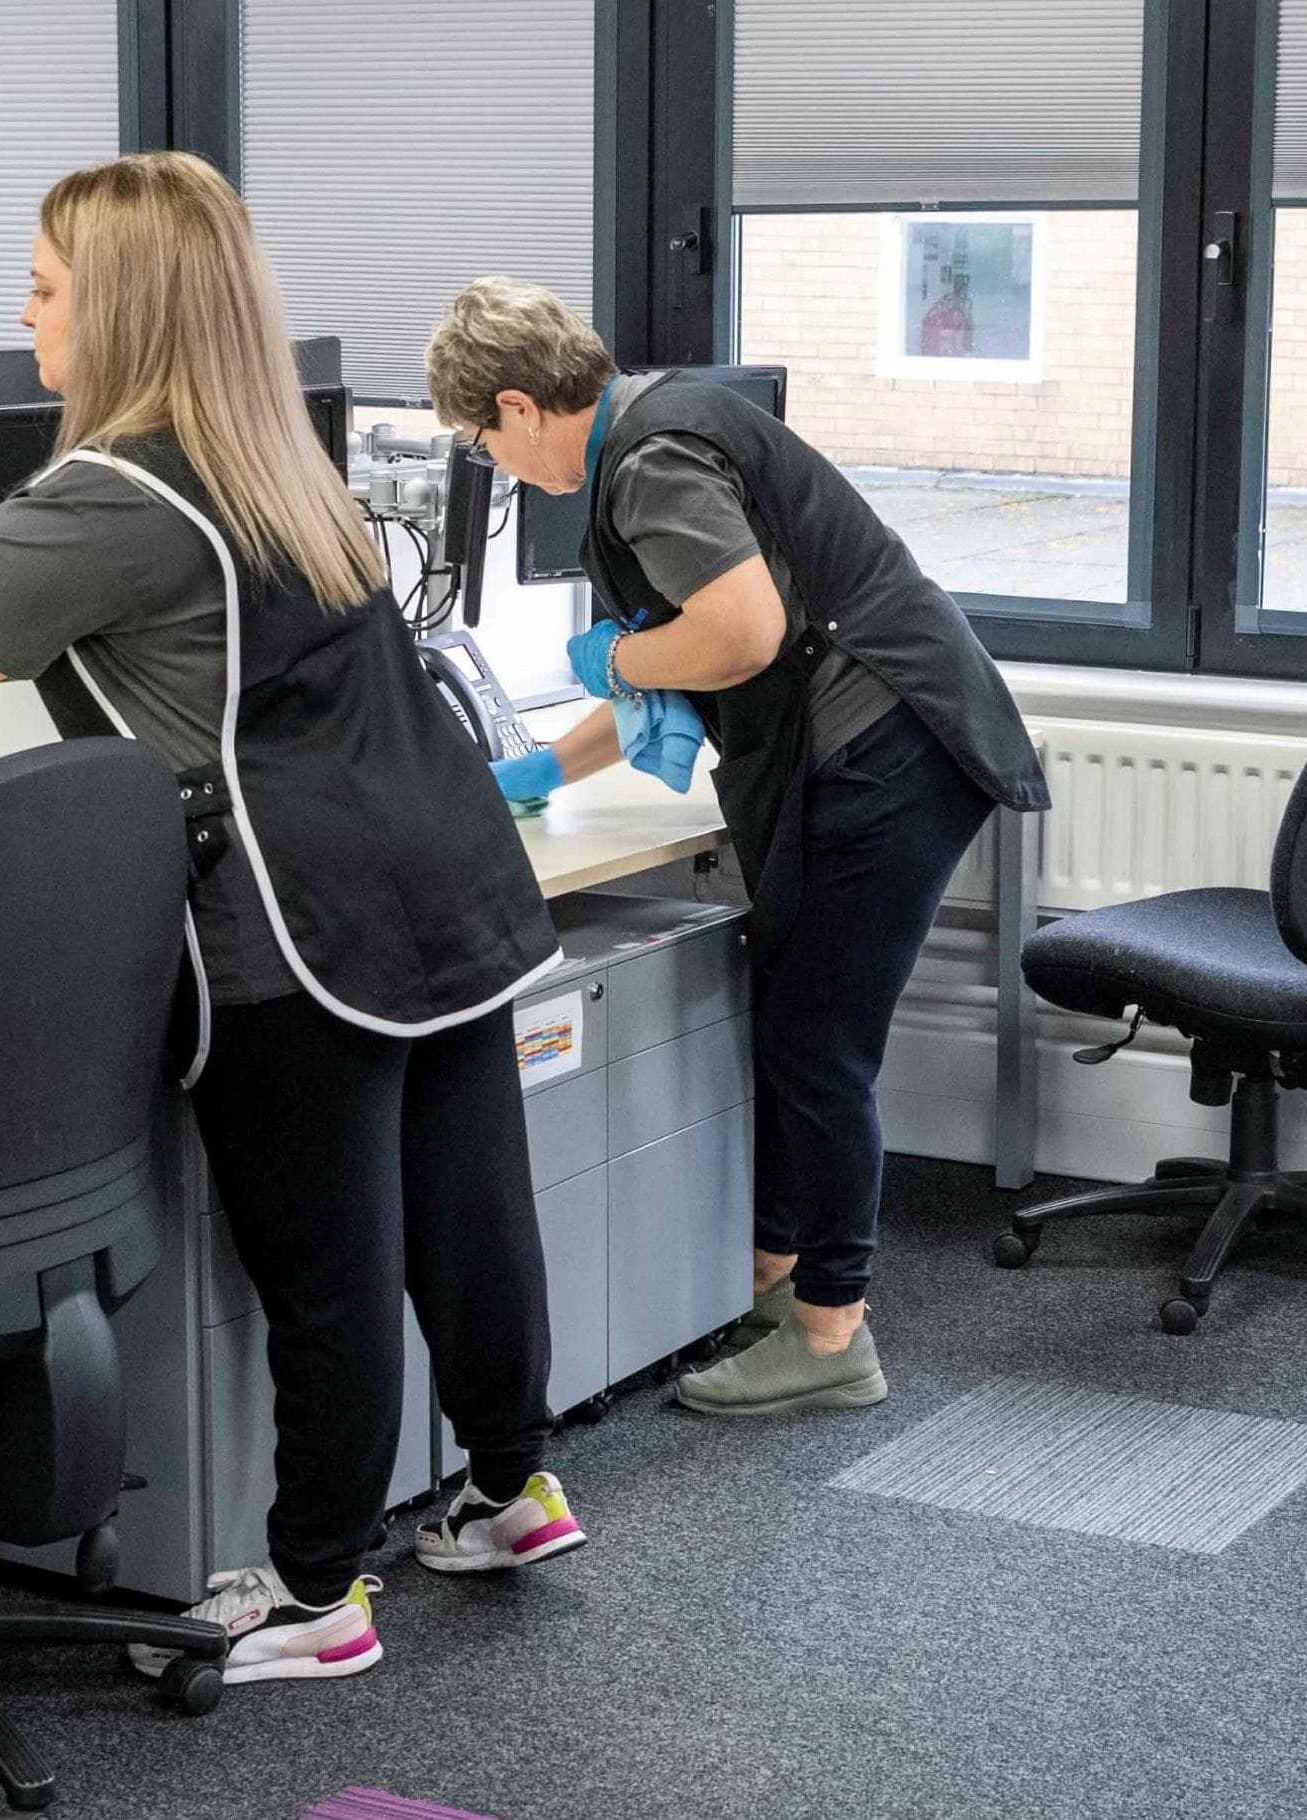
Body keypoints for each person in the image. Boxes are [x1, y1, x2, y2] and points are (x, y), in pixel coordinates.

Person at [0, 156, 587, 1687]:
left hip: (295, 930)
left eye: (41, 287)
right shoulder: (267, 462)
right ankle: (511, 1488)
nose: (21, 312)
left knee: (330, 1265)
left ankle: (315, 1596)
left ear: (125, 310)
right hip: (443, 889)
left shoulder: (115, 490)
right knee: (468, 1211)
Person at [426, 277, 1048, 1419]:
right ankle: (767, 1277)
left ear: (516, 406)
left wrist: (616, 661)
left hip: (880, 756)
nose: (497, 469)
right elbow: (687, 649)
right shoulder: (661, 421)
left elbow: (735, 635)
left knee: (817, 1042)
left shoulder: (648, 462)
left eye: (480, 443)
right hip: (894, 738)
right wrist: (535, 768)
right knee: (794, 1016)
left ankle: (828, 1337)